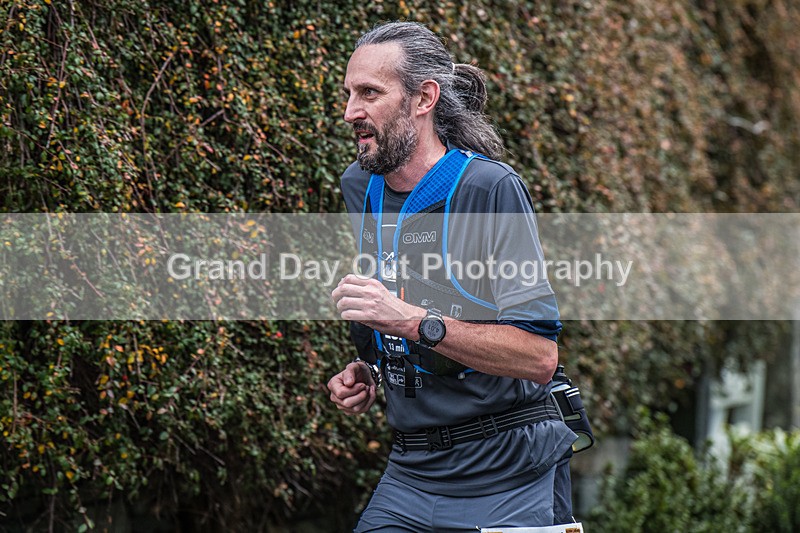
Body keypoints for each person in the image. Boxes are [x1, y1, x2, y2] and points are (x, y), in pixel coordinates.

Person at [327, 21, 577, 532]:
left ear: (424, 98)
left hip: (510, 472)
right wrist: (372, 369)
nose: (350, 112)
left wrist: (412, 321)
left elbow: (538, 357)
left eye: (369, 93)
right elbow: (395, 303)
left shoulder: (488, 189)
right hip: (412, 471)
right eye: (349, 94)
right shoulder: (358, 186)